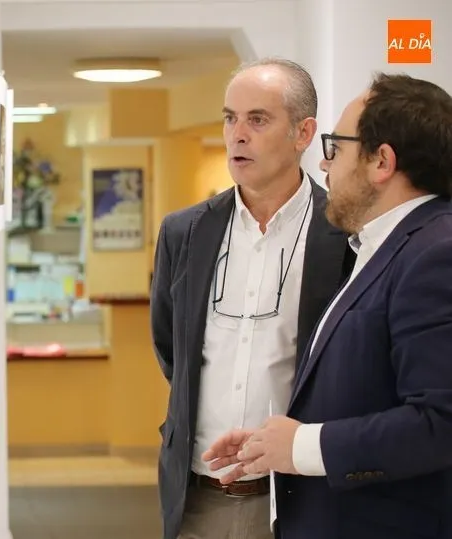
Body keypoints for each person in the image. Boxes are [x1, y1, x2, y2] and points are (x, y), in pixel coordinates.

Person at [202, 72, 452, 539]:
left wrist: (302, 446)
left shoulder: (436, 253)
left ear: (382, 161)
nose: (325, 166)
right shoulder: (381, 245)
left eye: (336, 149)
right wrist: (272, 442)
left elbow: (441, 422)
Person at [149, 57, 355, 539]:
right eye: (229, 118)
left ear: (304, 134)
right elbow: (170, 349)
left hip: (304, 496)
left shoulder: (347, 233)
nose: (237, 134)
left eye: (257, 119)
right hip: (197, 495)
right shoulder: (184, 232)